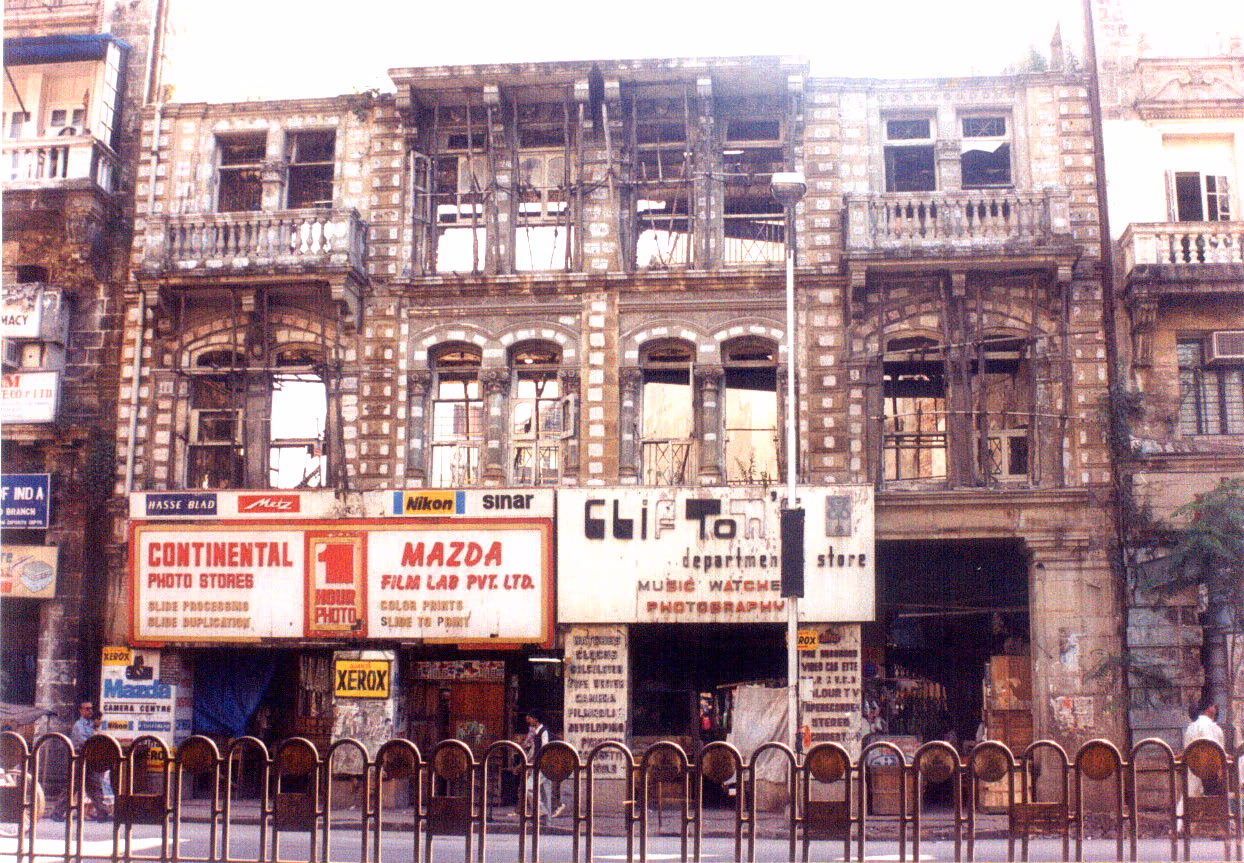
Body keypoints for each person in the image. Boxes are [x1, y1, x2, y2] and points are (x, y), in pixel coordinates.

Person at [69, 702, 113, 821]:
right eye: (87, 709)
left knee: (95, 786)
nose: (90, 711)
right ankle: (57, 812)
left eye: (91, 709)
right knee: (73, 786)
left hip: (91, 758)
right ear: (81, 711)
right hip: (80, 757)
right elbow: (84, 741)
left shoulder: (91, 725)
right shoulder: (79, 725)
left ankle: (102, 813)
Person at [1183, 697, 1225, 798]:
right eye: (1212, 705)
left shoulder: (1191, 726)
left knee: (1190, 796)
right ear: (1208, 709)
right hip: (1208, 774)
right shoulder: (1213, 727)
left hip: (1192, 769)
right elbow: (1213, 752)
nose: (1215, 708)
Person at [522, 711, 556, 820]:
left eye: (530, 718)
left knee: (529, 788)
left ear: (535, 719)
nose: (528, 720)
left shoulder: (543, 731)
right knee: (545, 793)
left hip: (542, 765)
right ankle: (547, 819)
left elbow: (544, 748)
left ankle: (542, 811)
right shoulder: (537, 732)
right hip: (541, 765)